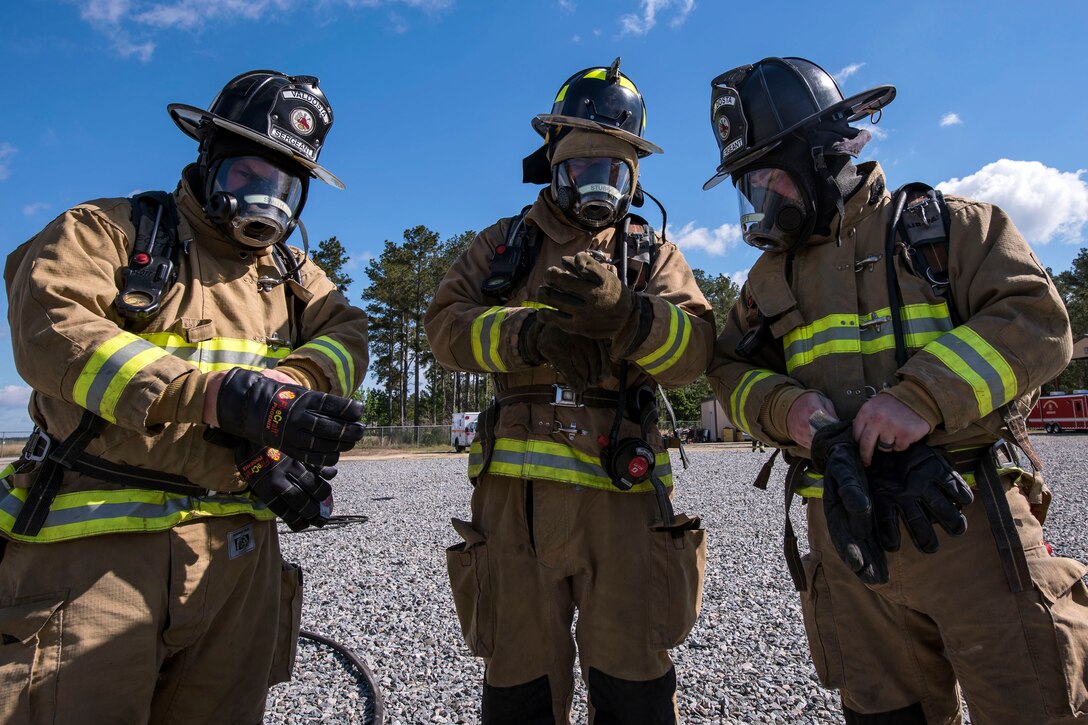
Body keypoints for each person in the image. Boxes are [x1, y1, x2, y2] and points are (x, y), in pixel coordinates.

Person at [704, 56, 1088, 723]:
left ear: (821, 154)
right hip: (845, 541)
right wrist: (787, 409)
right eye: (750, 183)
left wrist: (920, 397)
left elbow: (1038, 323)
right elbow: (726, 370)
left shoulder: (945, 228)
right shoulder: (768, 282)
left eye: (770, 176)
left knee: (1037, 702)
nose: (762, 199)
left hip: (967, 519)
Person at [0, 70, 369, 723]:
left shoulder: (290, 274)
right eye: (248, 177)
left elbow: (348, 331)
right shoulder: (110, 233)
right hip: (95, 562)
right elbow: (51, 323)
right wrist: (213, 395)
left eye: (283, 187)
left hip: (239, 562)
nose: (267, 202)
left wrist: (292, 387)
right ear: (209, 160)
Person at [426, 59, 714, 724]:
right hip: (513, 511)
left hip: (624, 501)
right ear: (551, 167)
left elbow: (696, 351)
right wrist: (525, 335)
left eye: (611, 174)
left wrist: (634, 317)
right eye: (581, 171)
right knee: (519, 684)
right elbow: (444, 328)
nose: (595, 188)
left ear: (634, 180)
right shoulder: (504, 246)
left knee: (633, 682)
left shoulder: (652, 255)